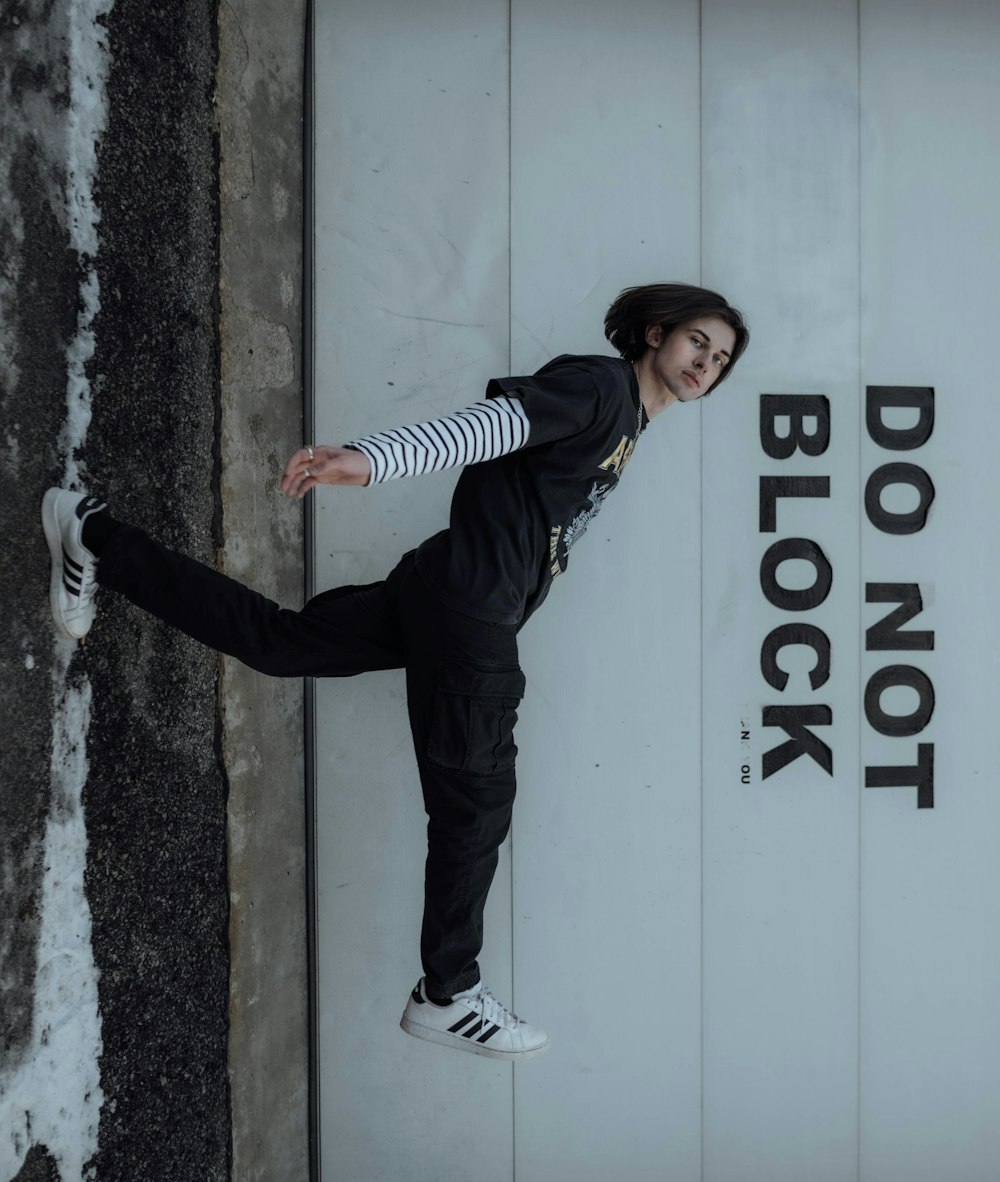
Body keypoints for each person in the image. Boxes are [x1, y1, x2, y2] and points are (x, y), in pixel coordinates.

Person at [41, 282, 748, 1062]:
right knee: (476, 807)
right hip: (471, 613)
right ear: (656, 334)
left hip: (447, 590)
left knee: (282, 644)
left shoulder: (627, 425)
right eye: (697, 344)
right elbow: (491, 429)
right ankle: (448, 994)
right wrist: (370, 460)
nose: (704, 364)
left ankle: (91, 534)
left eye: (718, 361)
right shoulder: (600, 389)